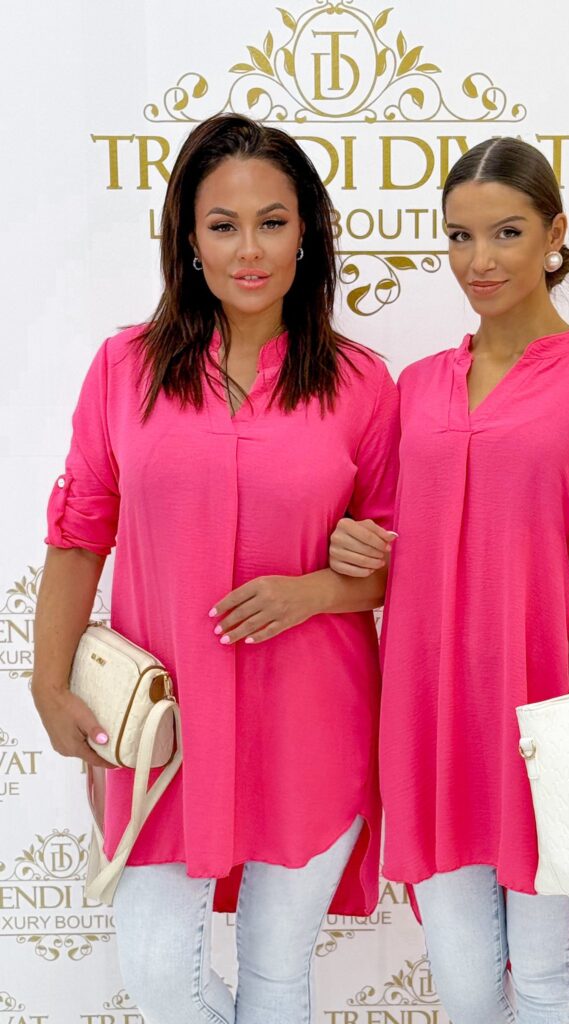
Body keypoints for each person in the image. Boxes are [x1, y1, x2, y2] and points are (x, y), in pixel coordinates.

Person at [31, 113, 399, 1024]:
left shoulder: (362, 384)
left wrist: (317, 589)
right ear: (189, 239)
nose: (250, 250)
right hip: (163, 723)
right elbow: (80, 535)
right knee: (162, 973)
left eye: (272, 222)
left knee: (276, 980)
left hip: (310, 719)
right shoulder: (123, 369)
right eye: (223, 225)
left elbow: (403, 565)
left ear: (306, 231)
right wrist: (47, 682)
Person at [328, 137, 569, 1024]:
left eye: (507, 233)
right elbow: (395, 530)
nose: (478, 261)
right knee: (467, 988)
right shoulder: (417, 386)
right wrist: (360, 544)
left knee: (548, 981)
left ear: (555, 235)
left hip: (550, 706)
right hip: (433, 708)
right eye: (460, 236)